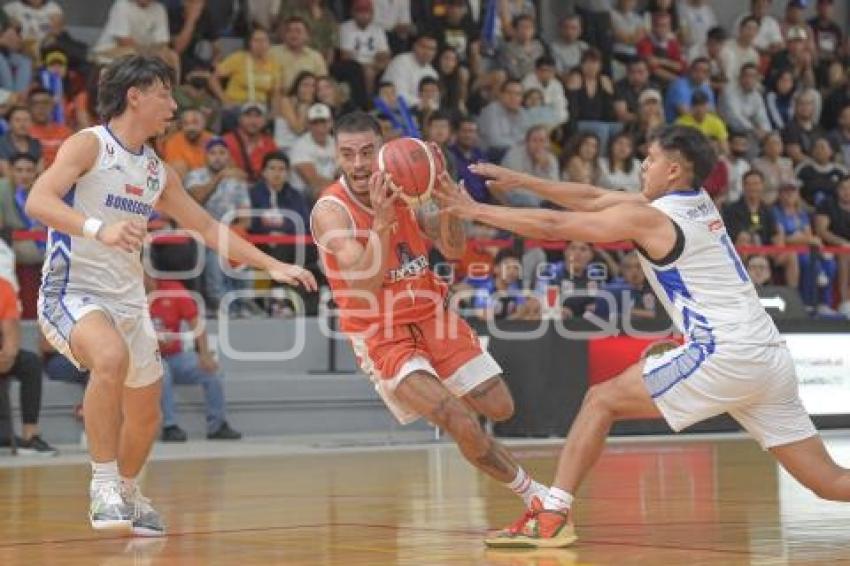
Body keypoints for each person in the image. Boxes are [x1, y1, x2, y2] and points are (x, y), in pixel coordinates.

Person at [437, 125, 850, 549]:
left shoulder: (653, 216)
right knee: (828, 480)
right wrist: (523, 181)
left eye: (650, 159)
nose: (642, 166)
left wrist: (474, 211)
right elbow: (595, 198)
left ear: (673, 169)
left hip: (726, 352)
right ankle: (551, 514)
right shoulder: (699, 203)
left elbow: (554, 223)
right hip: (769, 357)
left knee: (601, 399)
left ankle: (552, 515)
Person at [26, 54, 316, 537]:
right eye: (164, 93)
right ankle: (101, 486)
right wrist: (101, 229)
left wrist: (274, 264)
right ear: (134, 95)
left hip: (126, 298)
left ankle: (129, 491)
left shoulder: (157, 171)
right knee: (110, 358)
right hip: (71, 288)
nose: (173, 105)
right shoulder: (90, 144)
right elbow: (39, 200)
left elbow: (204, 226)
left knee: (146, 415)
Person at [310, 111, 548, 515]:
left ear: (383, 149)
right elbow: (364, 285)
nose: (359, 164)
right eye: (348, 155)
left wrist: (447, 202)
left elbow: (454, 249)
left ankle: (462, 418)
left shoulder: (405, 187)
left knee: (501, 407)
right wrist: (383, 225)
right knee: (456, 417)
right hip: (380, 331)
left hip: (430, 314)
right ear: (336, 156)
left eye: (367, 152)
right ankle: (536, 496)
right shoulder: (331, 212)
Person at [146, 274, 242, 442]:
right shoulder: (127, 297)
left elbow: (196, 323)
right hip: (146, 358)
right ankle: (169, 426)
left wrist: (204, 354)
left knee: (212, 373)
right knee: (163, 371)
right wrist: (153, 344)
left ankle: (217, 426)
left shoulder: (173, 290)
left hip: (176, 355)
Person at [0, 238, 57, 455]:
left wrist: (9, 355)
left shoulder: (3, 287)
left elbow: (10, 327)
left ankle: (30, 435)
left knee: (30, 363)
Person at [184, 137, 251, 313]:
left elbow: (246, 218)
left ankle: (243, 303)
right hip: (201, 234)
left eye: (222, 153)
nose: (218, 157)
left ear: (228, 156)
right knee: (215, 254)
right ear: (205, 156)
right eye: (213, 153)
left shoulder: (237, 180)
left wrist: (236, 234)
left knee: (245, 250)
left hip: (229, 234)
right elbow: (197, 198)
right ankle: (222, 304)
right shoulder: (195, 176)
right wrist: (219, 178)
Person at [289, 103, 336, 200]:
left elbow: (343, 171)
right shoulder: (301, 145)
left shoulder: (334, 142)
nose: (319, 127)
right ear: (309, 125)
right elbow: (312, 180)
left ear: (331, 123)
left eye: (323, 122)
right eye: (315, 123)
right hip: (302, 193)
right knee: (320, 190)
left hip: (330, 188)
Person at [160, 107, 213, 180]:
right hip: (186, 183)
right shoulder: (173, 142)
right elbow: (176, 170)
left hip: (211, 179)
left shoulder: (213, 140)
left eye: (195, 122)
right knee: (179, 166)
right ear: (181, 126)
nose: (191, 127)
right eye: (186, 123)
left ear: (204, 123)